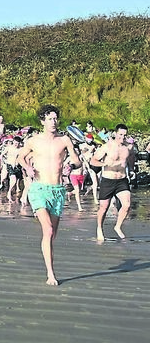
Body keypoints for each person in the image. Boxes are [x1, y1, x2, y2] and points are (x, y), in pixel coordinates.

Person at [19, 104, 81, 286]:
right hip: (38, 189)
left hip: (58, 190)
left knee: (52, 235)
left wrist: (72, 165)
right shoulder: (33, 141)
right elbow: (20, 157)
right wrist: (27, 167)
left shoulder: (65, 140)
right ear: (42, 121)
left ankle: (49, 262)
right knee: (48, 230)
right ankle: (51, 274)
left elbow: (76, 160)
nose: (53, 122)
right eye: (50, 119)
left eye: (55, 118)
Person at [90, 124, 132, 242]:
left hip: (122, 180)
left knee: (127, 204)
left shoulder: (127, 148)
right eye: (120, 135)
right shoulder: (106, 147)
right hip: (108, 180)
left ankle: (117, 226)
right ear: (115, 134)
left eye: (124, 135)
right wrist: (104, 164)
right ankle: (99, 228)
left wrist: (132, 170)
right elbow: (93, 160)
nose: (122, 137)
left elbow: (130, 159)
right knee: (103, 208)